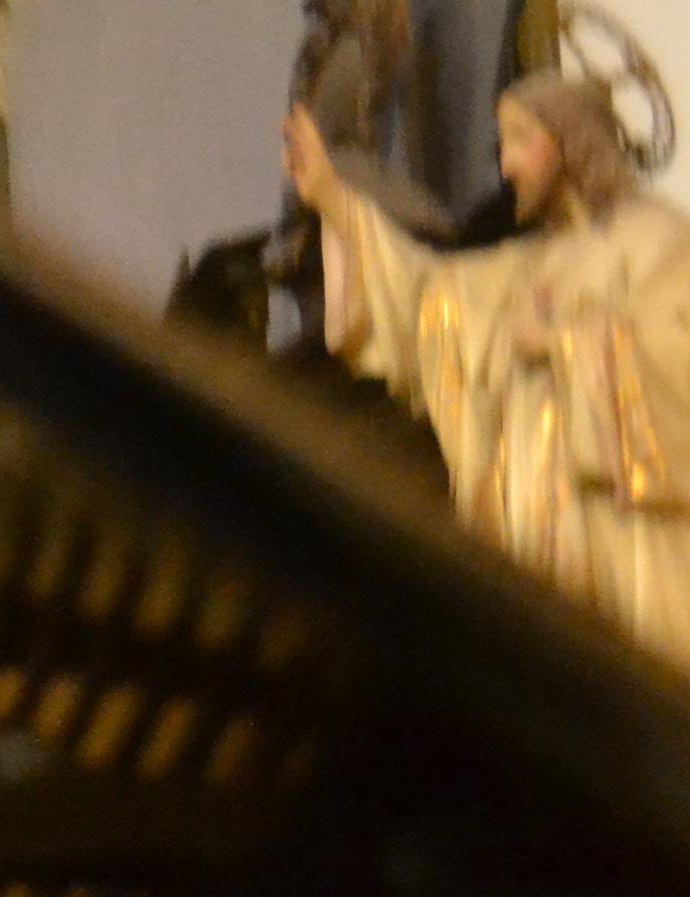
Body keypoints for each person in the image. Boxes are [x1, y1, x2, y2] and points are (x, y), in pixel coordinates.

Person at [288, 73, 690, 665]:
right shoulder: (520, 266)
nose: (506, 167)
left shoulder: (653, 236)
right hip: (529, 538)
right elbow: (422, 296)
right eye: (502, 146)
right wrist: (334, 201)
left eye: (520, 140)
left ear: (572, 139)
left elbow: (677, 350)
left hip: (620, 541)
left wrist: (563, 346)